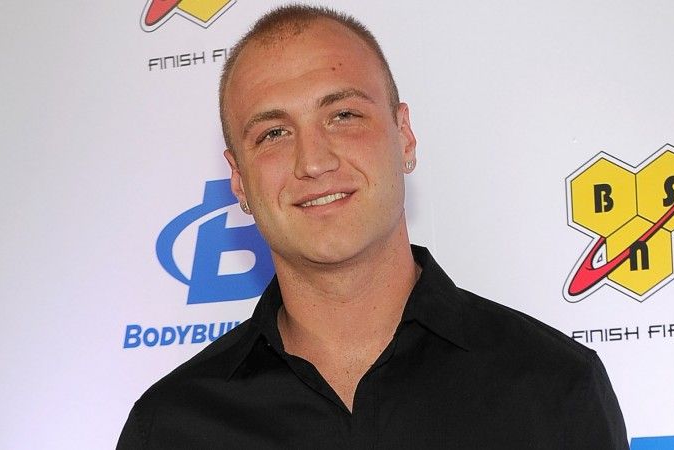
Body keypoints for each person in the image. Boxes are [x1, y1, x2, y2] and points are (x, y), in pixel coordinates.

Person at [118, 5, 629, 449]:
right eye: (273, 133)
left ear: (404, 136)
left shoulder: (553, 385)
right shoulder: (169, 428)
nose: (312, 161)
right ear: (239, 181)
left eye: (342, 115)